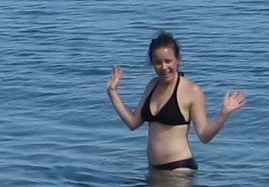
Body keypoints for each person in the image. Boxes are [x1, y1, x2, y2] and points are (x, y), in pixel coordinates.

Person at [106, 31, 247, 171]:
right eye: (158, 62)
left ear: (178, 59)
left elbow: (204, 136)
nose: (164, 67)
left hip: (179, 169)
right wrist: (112, 92)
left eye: (168, 61)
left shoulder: (192, 90)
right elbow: (133, 123)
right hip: (154, 169)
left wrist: (223, 113)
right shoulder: (152, 85)